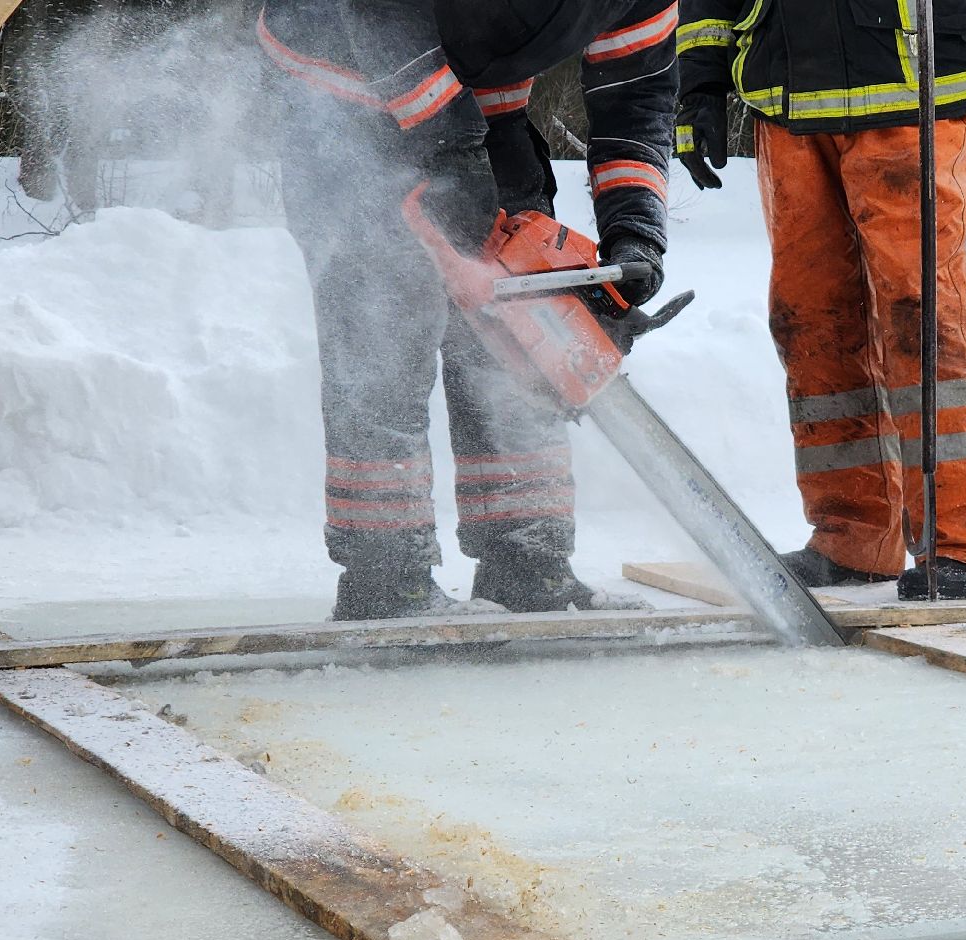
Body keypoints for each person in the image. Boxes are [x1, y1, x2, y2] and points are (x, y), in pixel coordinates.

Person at [257, 0, 676, 619]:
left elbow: (635, 101)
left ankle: (525, 562)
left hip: (483, 108)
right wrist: (453, 171)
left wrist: (634, 230)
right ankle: (384, 577)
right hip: (340, 96)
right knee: (384, 335)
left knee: (519, 342)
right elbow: (376, 18)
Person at [675, 0, 966, 600]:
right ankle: (853, 535)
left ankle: (963, 542)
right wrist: (700, 81)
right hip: (789, 95)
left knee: (922, 315)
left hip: (912, 85)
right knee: (810, 321)